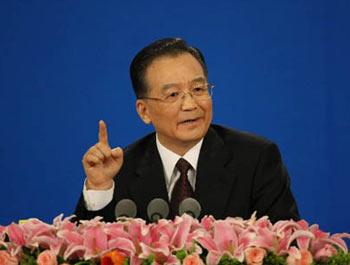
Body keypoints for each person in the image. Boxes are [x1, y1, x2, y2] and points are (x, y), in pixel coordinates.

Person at [74, 38, 299, 223]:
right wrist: (100, 189)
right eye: (173, 95)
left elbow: (283, 246)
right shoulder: (119, 170)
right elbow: (86, 251)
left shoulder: (255, 159)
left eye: (198, 89)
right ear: (144, 111)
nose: (190, 104)